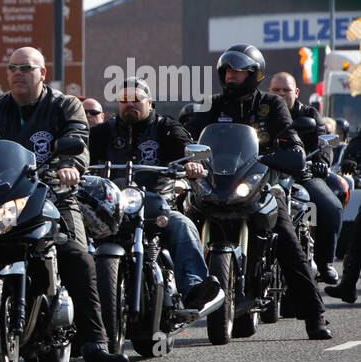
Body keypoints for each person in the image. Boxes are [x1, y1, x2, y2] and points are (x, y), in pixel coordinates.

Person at [0, 46, 131, 362]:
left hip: (52, 194)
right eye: (12, 68)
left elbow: (77, 139)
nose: (17, 73)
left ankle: (95, 347)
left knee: (78, 258)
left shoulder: (63, 105)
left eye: (26, 67)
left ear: (43, 72)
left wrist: (70, 165)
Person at [184, 44, 330, 339]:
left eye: (238, 71)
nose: (230, 76)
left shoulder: (271, 105)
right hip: (216, 183)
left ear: (255, 74)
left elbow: (288, 138)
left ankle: (315, 316)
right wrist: (182, 153)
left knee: (288, 240)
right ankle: (165, 305)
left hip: (261, 182)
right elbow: (186, 134)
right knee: (178, 221)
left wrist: (291, 151)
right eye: (227, 71)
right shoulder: (210, 105)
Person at [87, 77, 221, 309]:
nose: (131, 104)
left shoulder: (165, 128)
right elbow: (82, 154)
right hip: (110, 205)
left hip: (156, 204)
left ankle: (193, 287)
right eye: (125, 100)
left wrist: (191, 163)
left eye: (137, 99)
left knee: (182, 225)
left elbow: (185, 148)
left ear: (150, 102)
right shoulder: (102, 132)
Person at [268, 71, 342, 283]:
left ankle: (325, 262)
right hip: (267, 176)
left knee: (330, 207)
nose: (281, 94)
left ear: (296, 92)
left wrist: (322, 162)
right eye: (276, 90)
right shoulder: (262, 111)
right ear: (269, 92)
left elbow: (322, 141)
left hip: (303, 175)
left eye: (286, 90)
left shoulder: (308, 113)